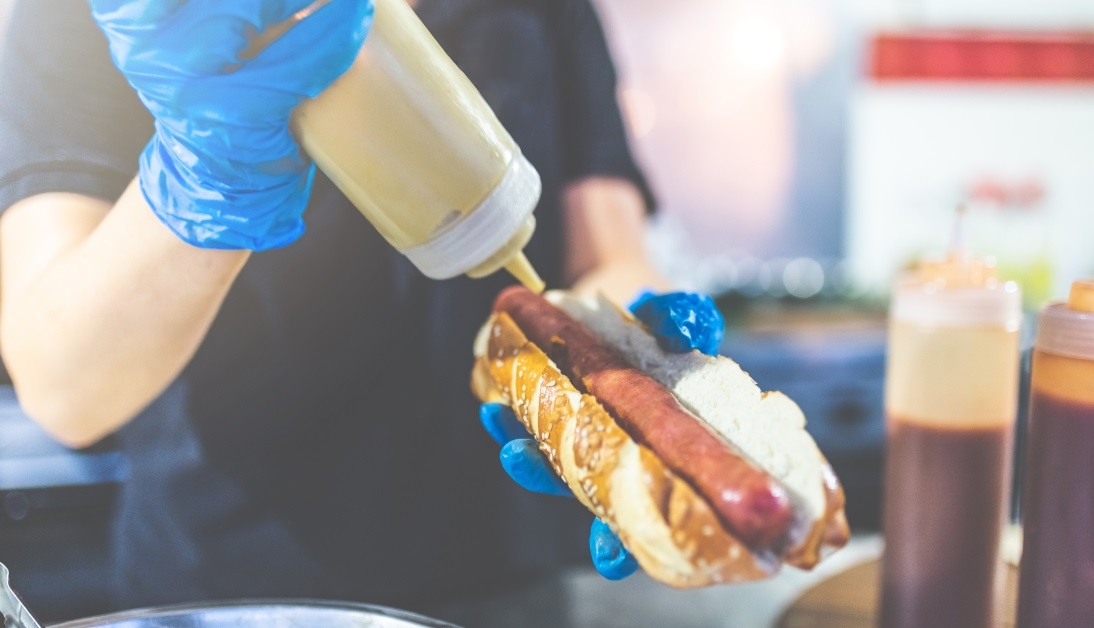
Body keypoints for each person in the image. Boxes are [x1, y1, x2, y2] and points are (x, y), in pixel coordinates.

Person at [0, 0, 725, 620]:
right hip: (234, 593)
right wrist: (205, 177)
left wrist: (629, 350)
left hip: (503, 580)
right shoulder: (113, 14)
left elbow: (606, 252)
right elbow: (65, 388)